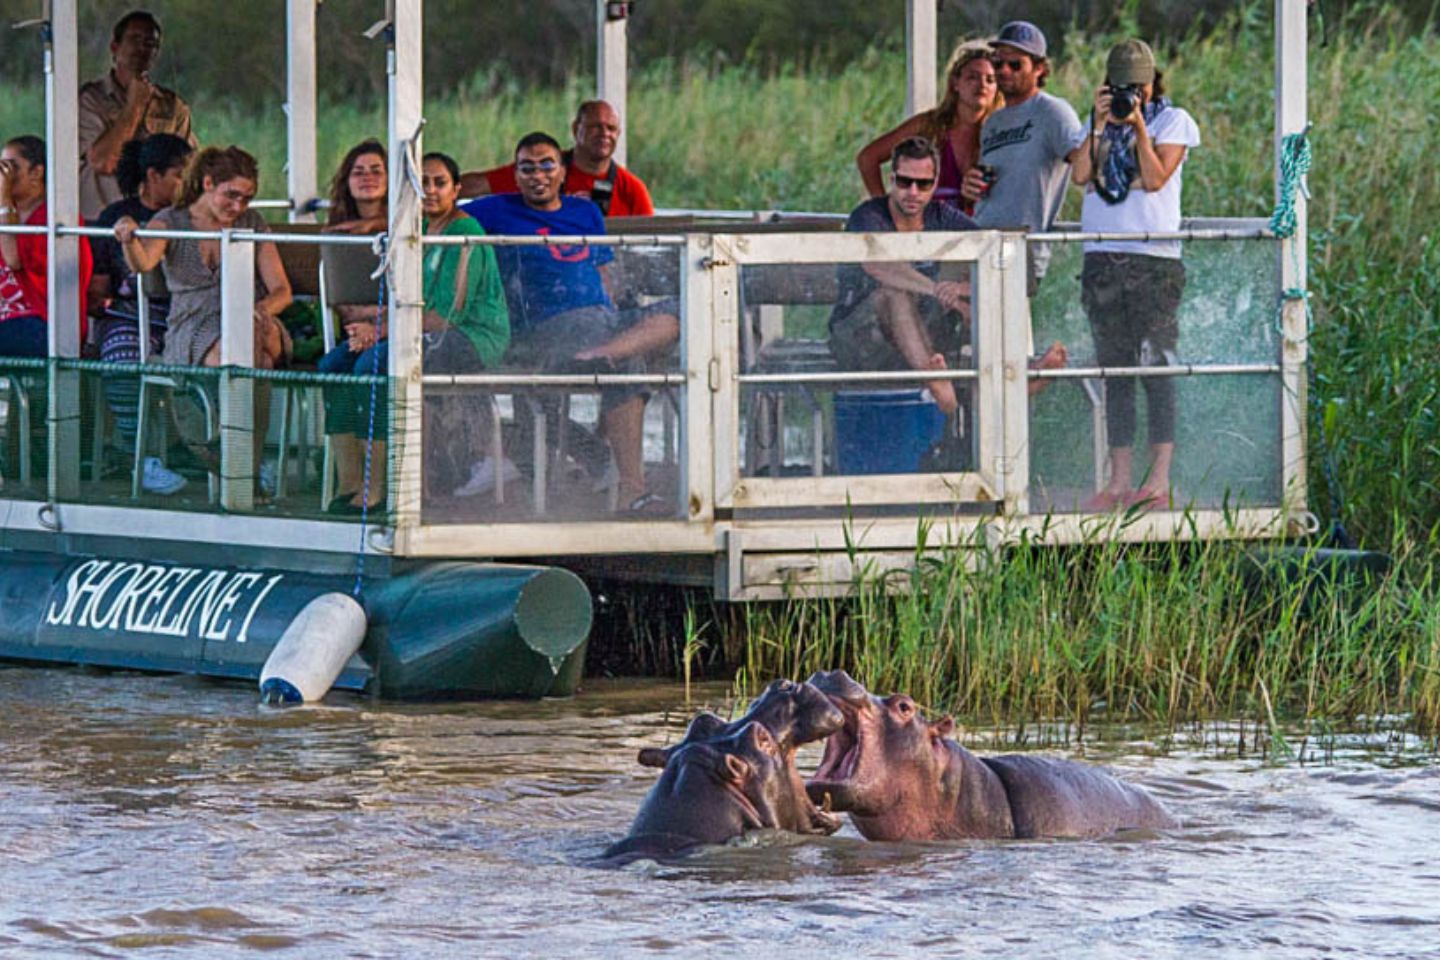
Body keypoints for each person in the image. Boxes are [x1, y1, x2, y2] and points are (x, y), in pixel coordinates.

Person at [462, 132, 675, 513]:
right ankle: (632, 490)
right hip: (543, 327)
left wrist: (612, 308)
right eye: (526, 167)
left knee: (680, 309)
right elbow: (437, 208)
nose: (537, 175)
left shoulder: (586, 212)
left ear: (563, 173)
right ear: (516, 174)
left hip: (602, 322)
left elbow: (605, 269)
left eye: (547, 165)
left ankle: (603, 352)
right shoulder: (493, 210)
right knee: (629, 363)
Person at [317, 151, 511, 510]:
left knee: (371, 365)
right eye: (423, 183)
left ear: (456, 190)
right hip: (413, 330)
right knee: (332, 365)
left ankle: (379, 487)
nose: (432, 190)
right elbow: (401, 298)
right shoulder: (413, 229)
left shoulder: (464, 232)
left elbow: (448, 313)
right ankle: (349, 481)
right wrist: (369, 326)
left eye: (440, 183)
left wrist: (378, 331)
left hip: (471, 335)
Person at [113, 146, 292, 499]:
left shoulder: (252, 224)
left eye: (247, 198)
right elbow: (143, 264)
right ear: (208, 183)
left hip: (251, 316)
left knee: (249, 339)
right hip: (195, 323)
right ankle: (246, 468)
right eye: (232, 195)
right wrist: (129, 235)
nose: (238, 207)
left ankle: (227, 450)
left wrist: (257, 311)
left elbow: (281, 290)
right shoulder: (171, 220)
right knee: (258, 360)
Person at [1069, 40, 1200, 512]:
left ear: (1150, 83)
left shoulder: (1173, 120)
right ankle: (1120, 480)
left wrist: (1138, 124)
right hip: (1103, 259)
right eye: (1119, 86)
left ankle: (1159, 480)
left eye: (1136, 86)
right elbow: (1080, 175)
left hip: (1154, 260)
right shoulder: (1096, 122)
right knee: (1116, 369)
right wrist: (1100, 124)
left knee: (1156, 366)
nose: (1128, 94)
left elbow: (1157, 175)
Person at [829, 136, 977, 417]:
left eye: (923, 184)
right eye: (904, 182)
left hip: (922, 329)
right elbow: (879, 266)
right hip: (860, 337)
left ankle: (1018, 375)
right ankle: (938, 384)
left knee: (984, 301)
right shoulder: (868, 215)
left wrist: (960, 289)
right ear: (891, 179)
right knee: (893, 294)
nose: (913, 192)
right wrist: (936, 289)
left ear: (935, 184)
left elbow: (993, 251)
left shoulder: (942, 216)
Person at [89, 133, 193, 495]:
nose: (187, 185)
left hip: (185, 314)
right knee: (121, 358)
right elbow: (101, 280)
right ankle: (140, 455)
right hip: (130, 315)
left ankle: (204, 449)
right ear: (154, 175)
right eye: (180, 175)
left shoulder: (191, 216)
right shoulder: (116, 217)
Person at [960, 21, 1086, 296]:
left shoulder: (1054, 112)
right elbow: (990, 182)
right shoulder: (993, 122)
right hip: (980, 239)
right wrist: (970, 186)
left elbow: (1083, 168)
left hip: (1020, 246)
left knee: (999, 330)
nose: (1004, 71)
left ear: (1039, 68)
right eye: (998, 63)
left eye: (1015, 65)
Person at [856, 40, 1001, 215]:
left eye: (990, 79)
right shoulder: (929, 125)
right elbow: (868, 158)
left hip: (978, 232)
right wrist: (884, 211)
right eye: (972, 77)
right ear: (956, 83)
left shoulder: (1001, 132)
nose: (982, 84)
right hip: (927, 232)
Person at [78, 11, 196, 221]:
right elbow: (103, 162)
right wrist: (134, 105)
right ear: (115, 47)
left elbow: (188, 166)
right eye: (134, 40)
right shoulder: (90, 100)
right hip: (99, 219)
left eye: (150, 43)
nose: (141, 49)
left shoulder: (172, 106)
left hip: (156, 219)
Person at [460, 100, 656, 217]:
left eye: (611, 128)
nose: (604, 134)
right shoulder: (541, 169)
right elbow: (478, 184)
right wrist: (435, 197)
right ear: (575, 129)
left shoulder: (632, 190)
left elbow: (652, 249)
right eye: (595, 126)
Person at [0, 135, 94, 358]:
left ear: (37, 172)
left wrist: (3, 198)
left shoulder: (54, 217)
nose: (5, 176)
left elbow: (14, 259)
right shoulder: (11, 213)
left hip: (42, 321)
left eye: (11, 168)